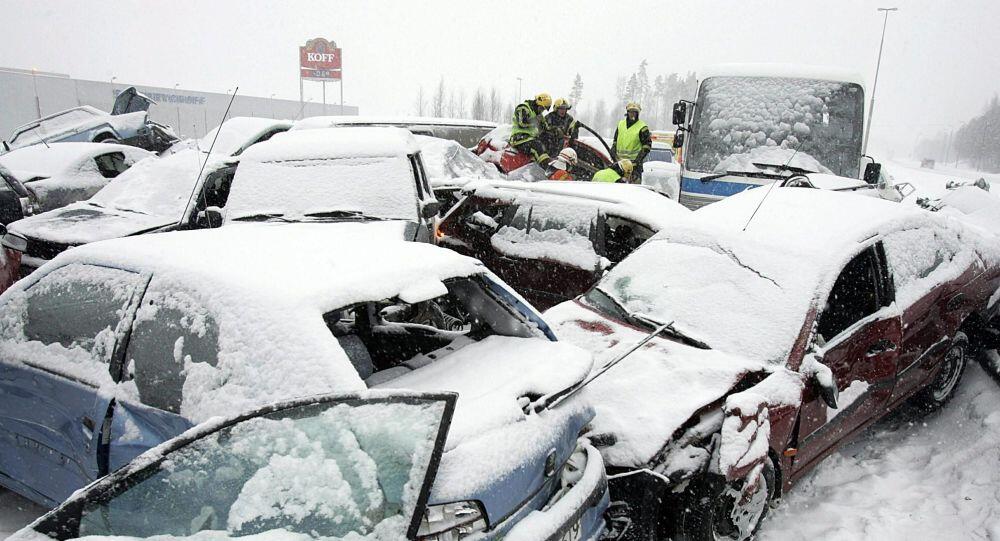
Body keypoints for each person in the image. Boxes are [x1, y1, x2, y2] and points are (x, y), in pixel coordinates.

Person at [508, 93, 553, 166]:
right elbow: (522, 122)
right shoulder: (523, 108)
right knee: (537, 146)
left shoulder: (539, 114)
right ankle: (547, 169)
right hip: (519, 138)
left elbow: (546, 128)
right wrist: (536, 120)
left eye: (543, 109)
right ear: (537, 104)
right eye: (542, 108)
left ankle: (546, 163)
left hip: (531, 139)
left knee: (548, 140)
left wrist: (554, 130)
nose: (542, 111)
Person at [611, 102, 652, 180]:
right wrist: (613, 148)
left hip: (634, 166)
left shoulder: (642, 127)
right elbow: (615, 139)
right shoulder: (620, 124)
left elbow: (647, 146)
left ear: (637, 114)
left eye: (634, 112)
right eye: (630, 111)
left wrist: (638, 161)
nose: (632, 114)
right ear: (627, 112)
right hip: (619, 164)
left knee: (634, 189)